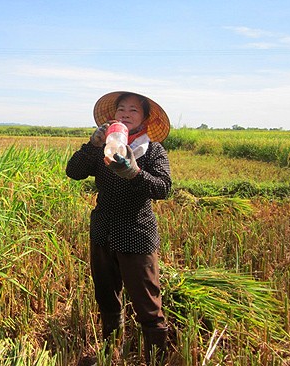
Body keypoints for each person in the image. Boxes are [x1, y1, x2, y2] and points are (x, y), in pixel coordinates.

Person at [66, 91, 171, 364]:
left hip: (136, 234)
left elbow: (163, 188)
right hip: (102, 232)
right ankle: (111, 353)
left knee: (147, 304)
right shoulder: (103, 148)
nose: (125, 114)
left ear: (145, 119)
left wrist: (134, 172)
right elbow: (73, 171)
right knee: (107, 297)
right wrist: (92, 144)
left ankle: (155, 359)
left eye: (133, 110)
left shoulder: (152, 151)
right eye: (121, 109)